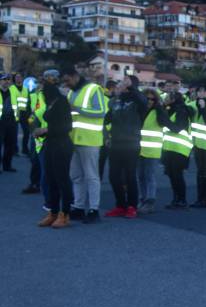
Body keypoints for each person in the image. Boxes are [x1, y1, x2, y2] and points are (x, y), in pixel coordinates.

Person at [67, 68, 108, 223]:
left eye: (67, 80)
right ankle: (78, 207)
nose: (66, 84)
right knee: (76, 176)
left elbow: (101, 112)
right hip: (74, 139)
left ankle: (93, 209)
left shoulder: (93, 89)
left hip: (90, 140)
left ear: (75, 77)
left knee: (91, 176)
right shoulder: (71, 93)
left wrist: (77, 109)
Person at [104, 76, 147, 218]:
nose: (120, 84)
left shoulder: (137, 100)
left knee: (130, 176)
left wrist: (132, 88)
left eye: (124, 82)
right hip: (115, 143)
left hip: (131, 143)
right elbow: (107, 118)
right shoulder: (116, 101)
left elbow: (143, 101)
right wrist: (107, 136)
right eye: (121, 82)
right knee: (113, 176)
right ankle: (120, 205)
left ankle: (132, 206)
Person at [36, 69, 73, 228]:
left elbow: (66, 127)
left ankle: (64, 214)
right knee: (50, 179)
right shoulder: (51, 102)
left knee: (61, 180)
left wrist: (46, 131)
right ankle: (53, 211)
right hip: (50, 144)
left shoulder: (61, 101)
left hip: (62, 145)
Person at [158, 90, 193, 209]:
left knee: (177, 175)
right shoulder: (170, 110)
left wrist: (165, 121)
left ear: (173, 99)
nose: (165, 99)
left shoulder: (181, 111)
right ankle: (176, 199)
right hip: (170, 147)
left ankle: (182, 200)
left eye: (168, 97)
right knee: (171, 174)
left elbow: (177, 128)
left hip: (180, 148)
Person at [136, 89, 164, 214]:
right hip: (139, 149)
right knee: (141, 176)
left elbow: (165, 122)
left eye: (152, 99)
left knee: (149, 176)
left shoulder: (158, 112)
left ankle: (150, 202)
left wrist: (160, 108)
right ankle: (142, 199)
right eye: (146, 98)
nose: (149, 101)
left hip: (152, 150)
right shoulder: (139, 111)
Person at [0, 73, 18, 171]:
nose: (7, 81)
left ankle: (7, 166)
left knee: (10, 144)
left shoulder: (13, 92)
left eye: (8, 79)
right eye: (4, 79)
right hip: (0, 122)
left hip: (11, 121)